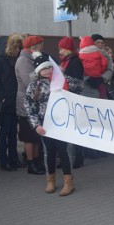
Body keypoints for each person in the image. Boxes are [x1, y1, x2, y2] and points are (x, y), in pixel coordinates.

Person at [25, 54, 82, 196]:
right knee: (49, 152)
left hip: (62, 123)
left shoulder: (61, 80)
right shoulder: (33, 86)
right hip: (45, 125)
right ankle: (50, 181)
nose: (48, 71)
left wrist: (65, 80)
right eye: (44, 69)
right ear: (38, 71)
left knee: (63, 151)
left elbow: (80, 85)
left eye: (50, 68)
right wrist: (36, 125)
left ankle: (68, 182)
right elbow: (29, 107)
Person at [0, 35, 23, 171]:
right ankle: (4, 161)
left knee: (12, 133)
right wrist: (3, 97)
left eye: (18, 47)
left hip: (14, 100)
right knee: (5, 132)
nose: (18, 49)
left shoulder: (15, 59)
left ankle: (14, 159)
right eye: (15, 47)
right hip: (6, 102)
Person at [15, 35, 46, 175]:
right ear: (34, 47)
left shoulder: (32, 58)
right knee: (29, 136)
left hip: (36, 103)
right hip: (27, 104)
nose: (42, 47)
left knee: (36, 135)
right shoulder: (23, 60)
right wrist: (42, 73)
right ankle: (31, 163)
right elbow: (29, 82)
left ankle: (37, 159)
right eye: (40, 45)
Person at [58, 36, 85, 168]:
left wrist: (61, 79)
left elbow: (78, 83)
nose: (60, 51)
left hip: (73, 100)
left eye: (62, 49)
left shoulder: (74, 62)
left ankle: (77, 158)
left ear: (69, 49)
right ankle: (68, 158)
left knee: (75, 131)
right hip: (66, 100)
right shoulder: (65, 61)